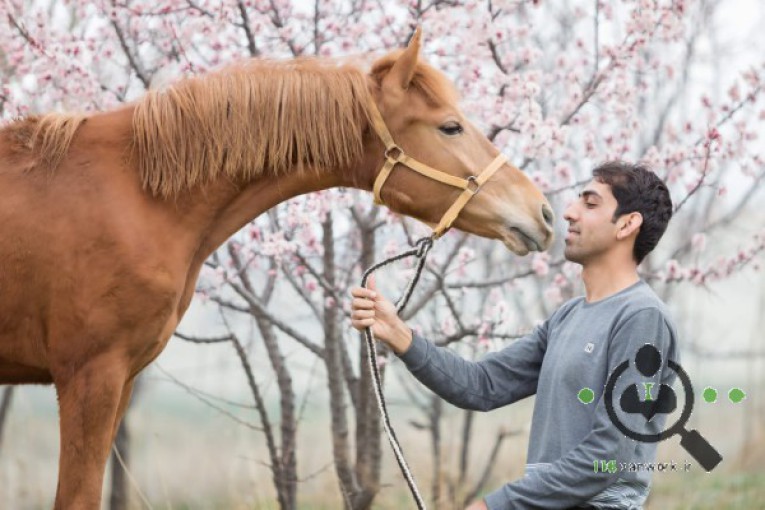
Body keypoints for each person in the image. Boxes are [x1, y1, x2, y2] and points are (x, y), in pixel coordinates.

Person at [351, 161, 679, 509]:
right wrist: (399, 333)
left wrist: (497, 505)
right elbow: (481, 384)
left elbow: (610, 453)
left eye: (590, 203)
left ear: (628, 224)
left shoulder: (642, 318)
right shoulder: (567, 317)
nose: (569, 212)